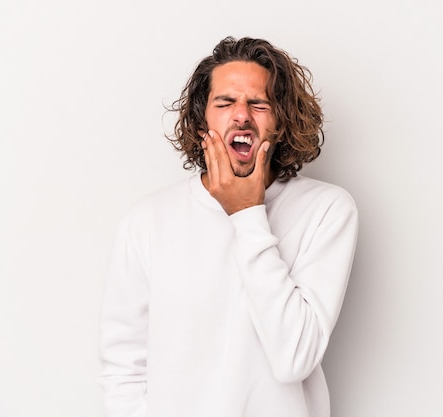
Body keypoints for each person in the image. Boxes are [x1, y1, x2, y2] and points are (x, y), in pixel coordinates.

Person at [99, 36, 358, 417]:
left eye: (258, 104)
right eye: (225, 103)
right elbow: (123, 366)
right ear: (203, 118)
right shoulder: (148, 220)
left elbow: (294, 358)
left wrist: (247, 214)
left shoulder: (327, 210)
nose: (241, 116)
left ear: (281, 121)